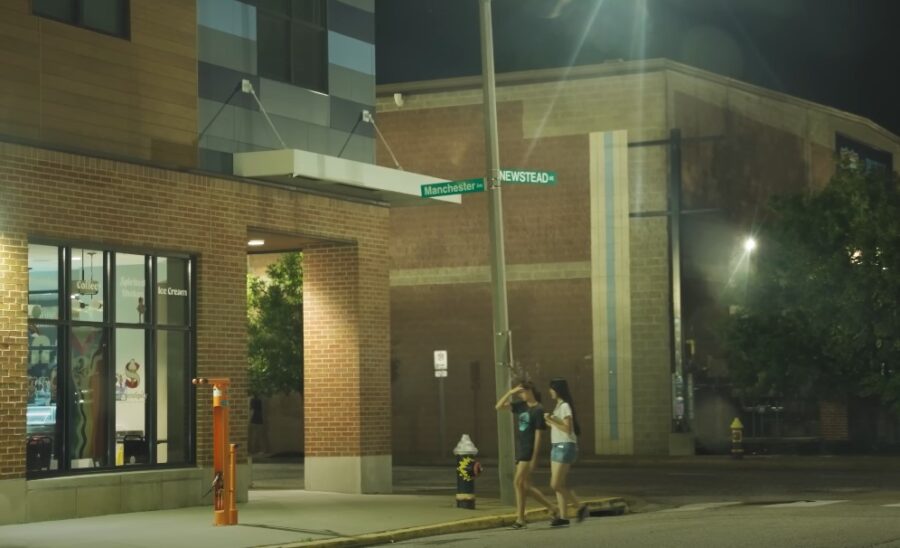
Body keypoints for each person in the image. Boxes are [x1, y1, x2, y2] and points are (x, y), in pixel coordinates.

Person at [495, 380, 558, 529]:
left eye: (522, 392)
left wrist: (534, 457)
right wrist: (510, 393)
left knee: (518, 482)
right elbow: (498, 407)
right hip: (521, 447)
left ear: (529, 391)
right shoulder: (520, 406)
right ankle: (552, 508)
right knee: (524, 485)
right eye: (519, 392)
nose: (520, 395)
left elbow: (539, 435)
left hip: (528, 450)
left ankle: (521, 518)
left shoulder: (538, 409)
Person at [543, 377, 589, 526]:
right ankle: (563, 517)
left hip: (565, 446)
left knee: (555, 484)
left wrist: (552, 420)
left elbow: (567, 429)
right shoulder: (558, 406)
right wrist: (550, 421)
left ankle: (580, 506)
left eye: (552, 388)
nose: (550, 391)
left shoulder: (565, 406)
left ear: (557, 390)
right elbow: (559, 427)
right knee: (560, 484)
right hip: (557, 445)